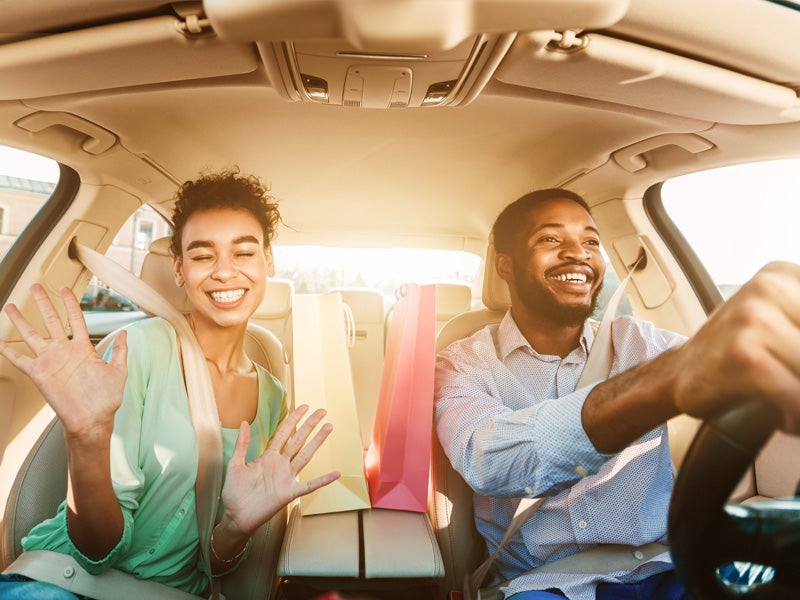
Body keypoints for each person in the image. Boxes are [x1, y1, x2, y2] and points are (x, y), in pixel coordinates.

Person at [434, 188, 800, 600]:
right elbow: (489, 460)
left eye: (591, 241)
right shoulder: (462, 363)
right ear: (505, 265)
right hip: (549, 584)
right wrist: (662, 383)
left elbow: (727, 363)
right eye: (550, 239)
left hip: (670, 564)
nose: (579, 253)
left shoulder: (643, 342)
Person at [0, 169, 340, 599]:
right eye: (202, 256)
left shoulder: (273, 397)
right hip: (62, 584)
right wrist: (86, 437)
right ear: (179, 269)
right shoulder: (136, 351)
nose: (223, 272)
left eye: (244, 253)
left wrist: (234, 529)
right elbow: (96, 552)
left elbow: (213, 562)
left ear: (268, 261)